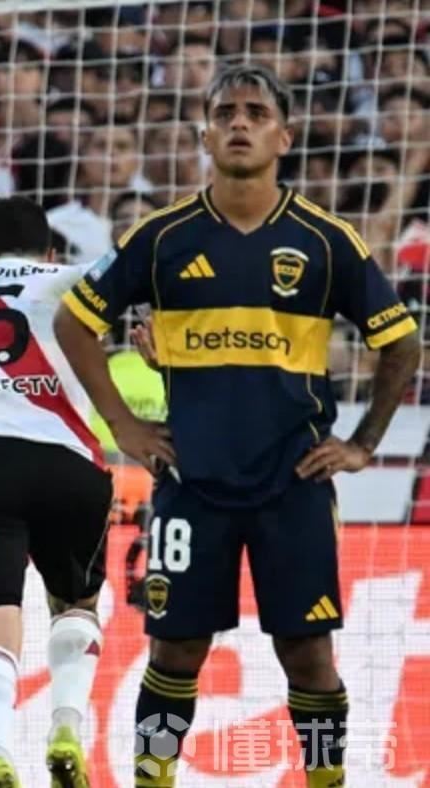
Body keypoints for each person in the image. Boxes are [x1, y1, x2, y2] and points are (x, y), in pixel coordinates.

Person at [54, 64, 422, 788]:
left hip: (294, 483)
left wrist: (363, 444)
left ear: (285, 137)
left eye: (256, 112)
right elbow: (74, 323)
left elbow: (402, 342)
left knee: (307, 654)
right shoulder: (160, 238)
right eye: (225, 113)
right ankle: (153, 779)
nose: (240, 123)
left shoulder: (327, 241)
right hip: (190, 484)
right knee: (175, 651)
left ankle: (327, 780)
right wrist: (123, 425)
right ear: (204, 135)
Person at [0, 196, 113, 788]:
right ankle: (66, 726)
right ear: (51, 251)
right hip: (70, 464)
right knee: (76, 607)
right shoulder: (75, 280)